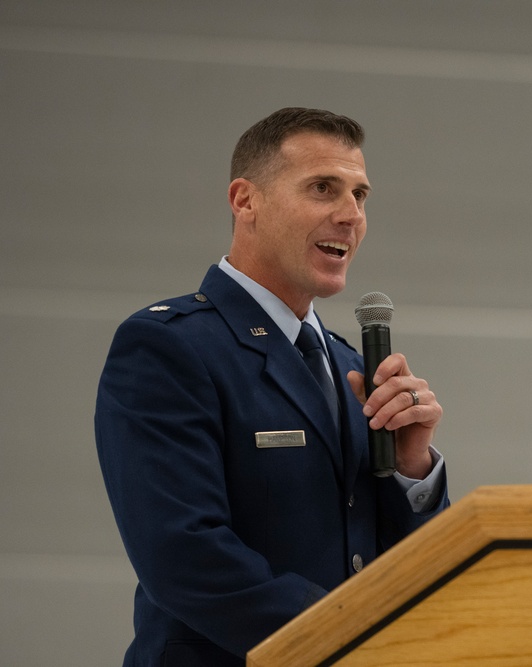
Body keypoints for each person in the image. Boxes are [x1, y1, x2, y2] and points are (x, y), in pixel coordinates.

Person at [95, 107, 449, 666]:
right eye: (322, 188)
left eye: (360, 195)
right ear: (245, 200)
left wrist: (411, 469)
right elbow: (185, 557)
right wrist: (352, 638)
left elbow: (393, 559)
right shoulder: (169, 347)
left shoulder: (350, 362)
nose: (349, 215)